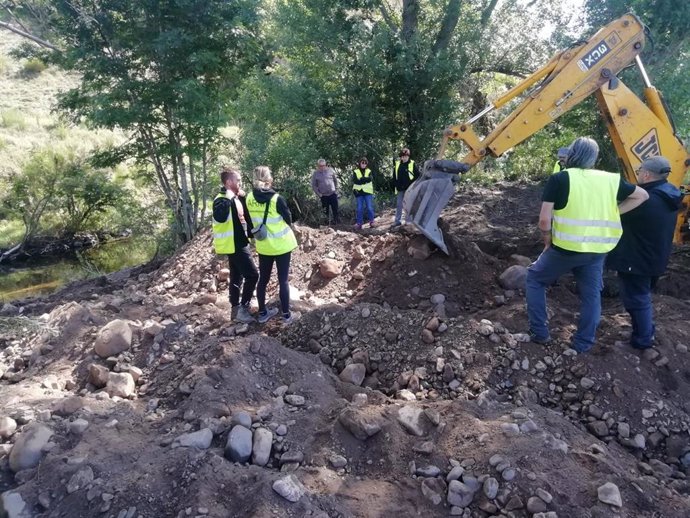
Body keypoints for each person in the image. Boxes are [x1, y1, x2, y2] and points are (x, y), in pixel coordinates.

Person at [526, 137, 649, 353]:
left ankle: (540, 333)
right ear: (595, 158)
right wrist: (615, 212)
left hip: (564, 249)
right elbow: (642, 195)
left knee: (535, 279)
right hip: (597, 250)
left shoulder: (561, 178)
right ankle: (583, 344)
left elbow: (544, 220)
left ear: (572, 153)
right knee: (591, 296)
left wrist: (547, 242)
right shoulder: (610, 179)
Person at [606, 156, 683, 350]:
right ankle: (645, 331)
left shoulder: (647, 200)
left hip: (636, 260)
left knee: (636, 299)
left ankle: (642, 341)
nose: (638, 174)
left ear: (646, 174)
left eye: (639, 171)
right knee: (641, 297)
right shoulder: (669, 196)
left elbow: (614, 216)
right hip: (655, 258)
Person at [245, 166, 298, 325]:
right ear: (270, 179)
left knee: (263, 280)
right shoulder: (277, 199)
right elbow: (288, 218)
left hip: (264, 245)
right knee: (283, 281)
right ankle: (287, 315)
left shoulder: (248, 198)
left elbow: (248, 220)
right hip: (281, 245)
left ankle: (262, 313)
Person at [212, 168, 259, 323]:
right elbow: (219, 217)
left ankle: (235, 311)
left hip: (240, 242)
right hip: (234, 245)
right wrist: (229, 196)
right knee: (253, 275)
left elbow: (243, 217)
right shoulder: (221, 199)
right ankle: (243, 309)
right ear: (229, 182)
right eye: (237, 180)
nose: (240, 182)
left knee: (236, 277)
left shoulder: (236, 197)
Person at [392, 147, 420, 227]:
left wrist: (413, 185)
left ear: (408, 156)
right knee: (399, 204)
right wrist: (396, 185)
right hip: (400, 188)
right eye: (402, 156)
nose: (404, 157)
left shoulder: (412, 163)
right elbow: (394, 176)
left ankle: (408, 221)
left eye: (405, 156)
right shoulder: (397, 164)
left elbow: (417, 176)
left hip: (410, 188)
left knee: (409, 205)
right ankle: (397, 221)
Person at [310, 158, 340, 225]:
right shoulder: (315, 173)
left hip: (333, 194)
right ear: (318, 166)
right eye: (320, 166)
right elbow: (314, 185)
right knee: (325, 211)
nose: (322, 167)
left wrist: (336, 190)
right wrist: (319, 194)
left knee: (335, 210)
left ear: (325, 165)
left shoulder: (330, 170)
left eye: (323, 165)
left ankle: (337, 223)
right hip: (323, 196)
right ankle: (327, 224)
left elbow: (336, 181)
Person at [352, 157, 375, 230]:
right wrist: (365, 180)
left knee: (369, 207)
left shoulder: (369, 171)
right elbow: (355, 181)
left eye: (365, 163)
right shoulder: (355, 171)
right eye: (362, 163)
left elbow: (370, 179)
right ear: (360, 163)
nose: (364, 164)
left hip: (368, 192)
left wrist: (361, 179)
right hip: (359, 193)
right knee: (359, 208)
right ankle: (359, 223)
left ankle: (372, 222)